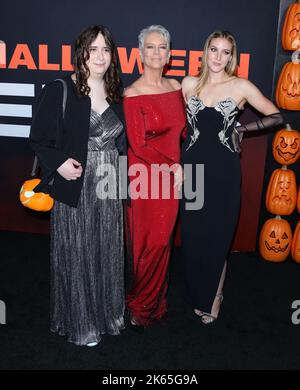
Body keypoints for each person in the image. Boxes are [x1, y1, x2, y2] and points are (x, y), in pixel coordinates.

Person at [29, 25, 126, 346]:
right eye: (92, 49)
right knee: (78, 251)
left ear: (113, 56)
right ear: (80, 53)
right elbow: (38, 138)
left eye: (105, 50)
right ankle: (81, 323)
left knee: (107, 251)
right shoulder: (61, 89)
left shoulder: (115, 91)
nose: (99, 56)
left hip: (109, 184)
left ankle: (107, 315)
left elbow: (122, 141)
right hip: (77, 184)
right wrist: (58, 163)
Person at [180, 30, 283, 324]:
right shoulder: (188, 84)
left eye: (225, 52)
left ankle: (215, 295)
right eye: (214, 49)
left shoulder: (240, 86)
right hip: (192, 171)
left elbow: (276, 115)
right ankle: (197, 291)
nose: (218, 57)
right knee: (194, 235)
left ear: (231, 56)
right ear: (205, 51)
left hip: (224, 172)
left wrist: (241, 130)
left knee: (218, 236)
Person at [123, 25, 186, 328]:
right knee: (146, 243)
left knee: (163, 242)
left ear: (170, 53)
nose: (157, 52)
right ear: (140, 54)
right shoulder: (132, 93)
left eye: (162, 47)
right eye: (150, 47)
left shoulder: (175, 87)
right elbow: (138, 144)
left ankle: (155, 300)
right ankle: (139, 303)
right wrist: (173, 166)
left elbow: (183, 132)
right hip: (145, 177)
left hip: (171, 180)